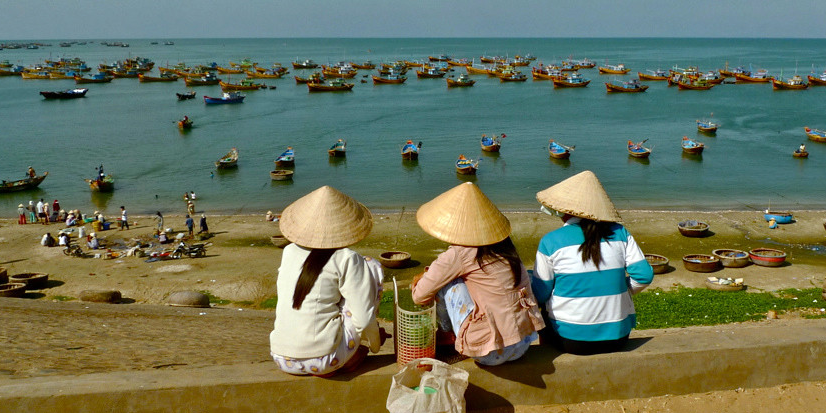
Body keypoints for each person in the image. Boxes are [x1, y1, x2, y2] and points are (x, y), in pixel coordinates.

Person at [410, 182, 544, 366]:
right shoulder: (506, 246)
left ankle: (447, 338)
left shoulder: (460, 253)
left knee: (448, 284)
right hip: (522, 344)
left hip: (490, 352)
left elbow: (420, 296)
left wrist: (422, 280)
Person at [531, 171, 654, 355]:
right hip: (618, 338)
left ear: (563, 209)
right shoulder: (620, 233)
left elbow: (541, 293)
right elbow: (644, 276)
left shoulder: (551, 241)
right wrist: (623, 289)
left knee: (542, 308)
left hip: (570, 340)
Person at [269, 186, 383, 377]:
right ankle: (346, 359)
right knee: (371, 266)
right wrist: (375, 343)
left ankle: (339, 356)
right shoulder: (347, 258)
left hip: (281, 358)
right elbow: (362, 319)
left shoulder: (288, 252)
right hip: (325, 359)